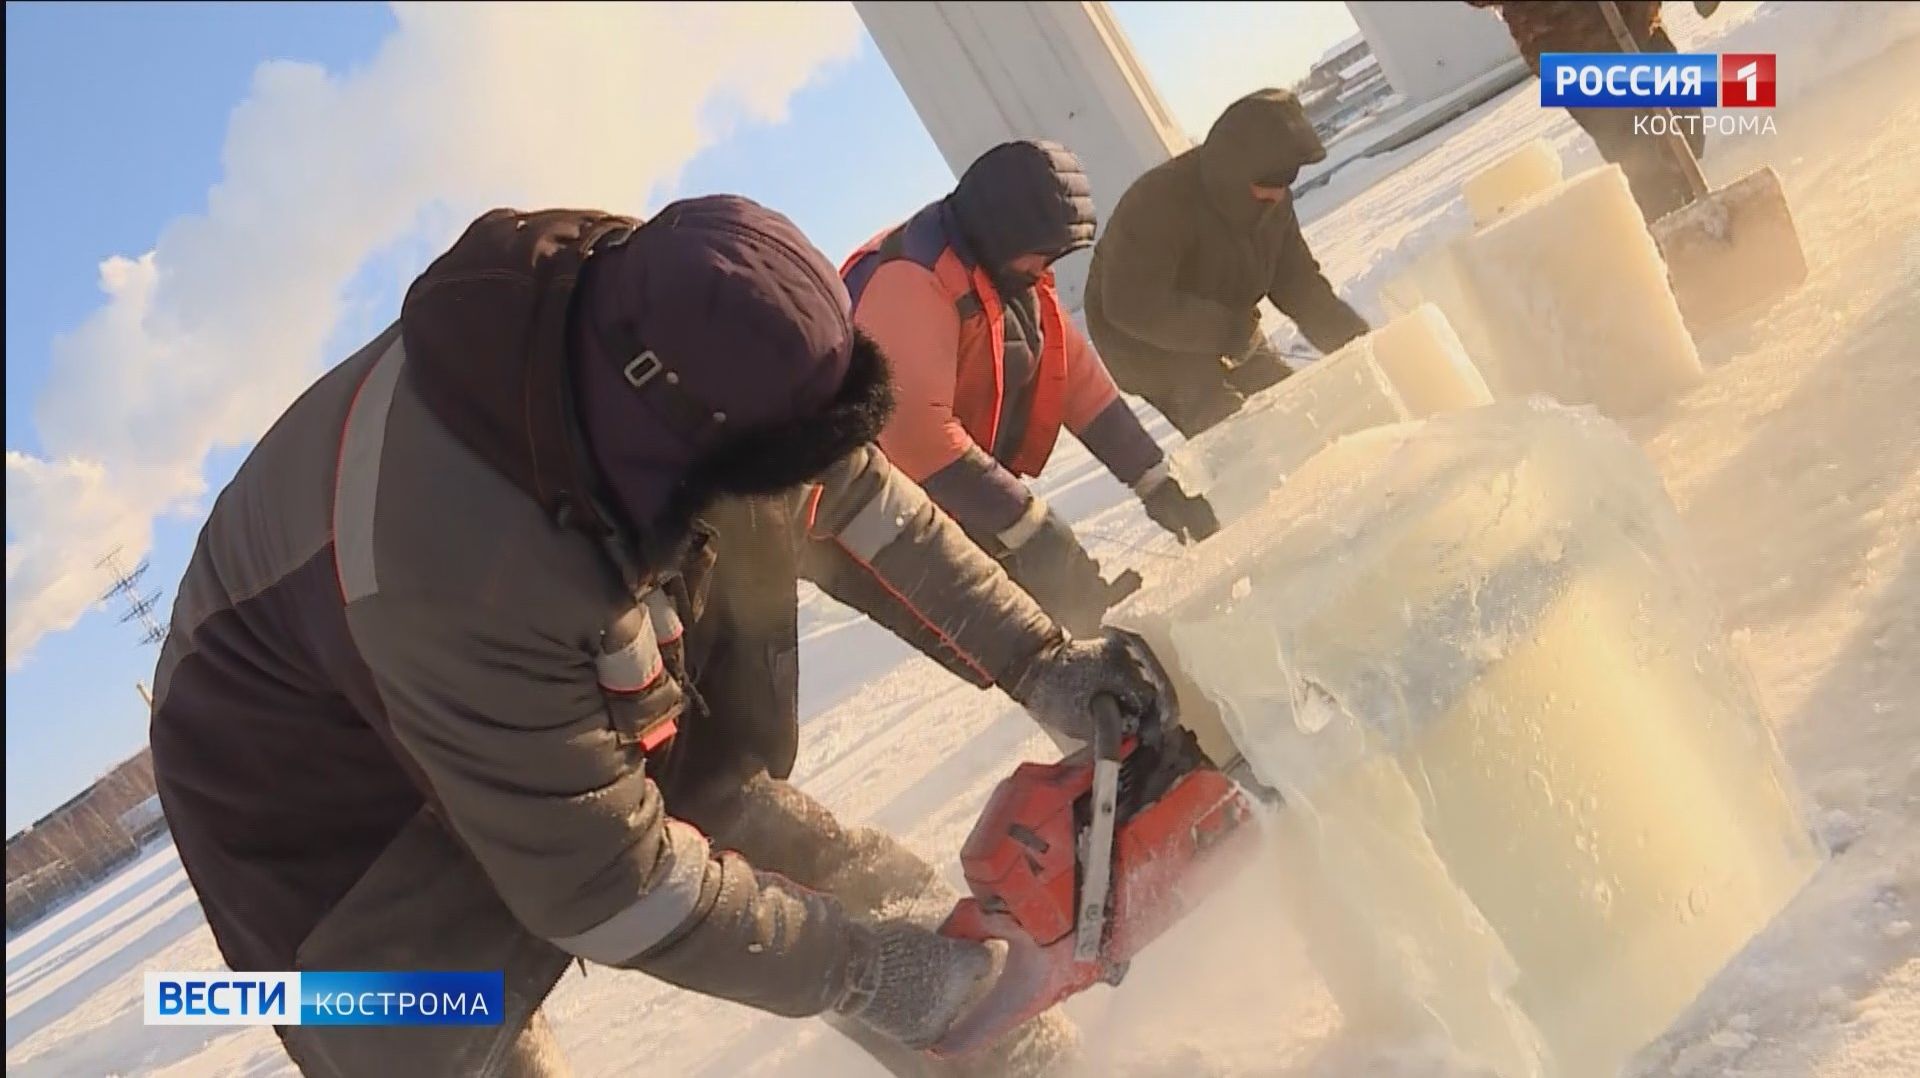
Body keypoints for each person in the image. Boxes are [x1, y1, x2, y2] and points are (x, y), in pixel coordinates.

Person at [149, 197, 1178, 1078]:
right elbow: (608, 888)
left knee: (830, 876)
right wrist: (865, 967)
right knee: (447, 1031)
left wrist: (1040, 658)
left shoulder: (698, 325)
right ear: (674, 460)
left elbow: (859, 502)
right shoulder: (460, 568)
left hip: (518, 621)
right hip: (312, 795)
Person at [843, 140, 1219, 637]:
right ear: (1006, 229)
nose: (1047, 269)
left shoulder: (1008, 270)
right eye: (1043, 254)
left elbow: (1072, 378)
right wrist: (1030, 529)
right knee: (1015, 626)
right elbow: (914, 435)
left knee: (1059, 595)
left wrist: (1155, 482)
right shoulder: (911, 277)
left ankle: (1098, 636)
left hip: (951, 482)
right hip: (873, 507)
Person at [1085, 89, 1370, 439]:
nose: (1280, 193)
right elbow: (1131, 304)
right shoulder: (1156, 204)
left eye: (1288, 180)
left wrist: (1356, 342)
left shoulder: (1271, 202)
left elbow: (1299, 284)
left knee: (1294, 408)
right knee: (1237, 432)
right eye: (1270, 182)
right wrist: (1231, 333)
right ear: (1235, 174)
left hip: (1223, 318)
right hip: (1147, 343)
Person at [1465, 0, 1718, 223]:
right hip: (1567, 44)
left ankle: (1701, 222)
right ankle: (1674, 245)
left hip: (1638, 23)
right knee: (1642, 157)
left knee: (1686, 124)